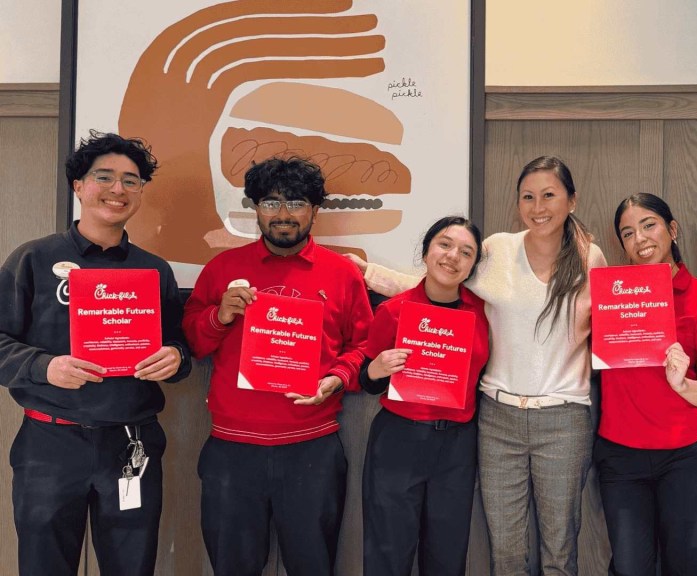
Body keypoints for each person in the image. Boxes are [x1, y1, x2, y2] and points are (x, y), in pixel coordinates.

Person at [351, 156, 606, 575]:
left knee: (560, 549)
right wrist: (370, 274)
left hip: (563, 417)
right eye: (527, 196)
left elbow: (615, 323)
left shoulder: (590, 257)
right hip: (497, 417)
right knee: (505, 551)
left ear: (571, 201)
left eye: (549, 195)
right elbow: (438, 285)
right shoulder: (496, 250)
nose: (537, 206)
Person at [0, 131, 191, 575]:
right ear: (78, 186)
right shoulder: (32, 259)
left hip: (131, 443)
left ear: (141, 191)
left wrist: (176, 357)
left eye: (131, 180)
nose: (117, 190)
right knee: (45, 564)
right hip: (50, 444)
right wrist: (45, 367)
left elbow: (180, 346)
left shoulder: (155, 270)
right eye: (104, 177)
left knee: (132, 565)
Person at [182, 157, 372, 576]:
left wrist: (335, 380)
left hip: (312, 447)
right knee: (231, 566)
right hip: (233, 449)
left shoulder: (342, 274)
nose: (283, 215)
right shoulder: (222, 270)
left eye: (297, 203)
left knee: (313, 565)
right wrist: (220, 316)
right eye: (270, 202)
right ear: (254, 207)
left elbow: (363, 348)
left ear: (315, 209)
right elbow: (192, 345)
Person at [595, 193, 697, 575]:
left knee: (687, 563)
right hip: (621, 455)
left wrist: (682, 384)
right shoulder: (609, 296)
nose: (640, 239)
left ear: (672, 229)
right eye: (627, 232)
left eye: (649, 225)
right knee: (630, 566)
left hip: (687, 456)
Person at [360, 216, 490, 576]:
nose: (453, 257)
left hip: (457, 445)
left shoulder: (483, 312)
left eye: (466, 252)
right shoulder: (393, 310)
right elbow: (367, 379)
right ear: (427, 251)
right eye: (445, 245)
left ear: (472, 266)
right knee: (389, 551)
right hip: (399, 440)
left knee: (447, 556)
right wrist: (376, 369)